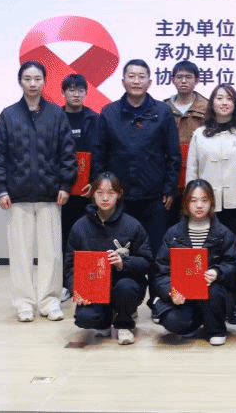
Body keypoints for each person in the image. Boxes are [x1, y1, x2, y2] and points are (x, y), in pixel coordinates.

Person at [0, 61, 77, 323]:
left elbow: (67, 154)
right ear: (20, 81)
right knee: (21, 253)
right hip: (18, 196)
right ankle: (24, 303)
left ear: (44, 82)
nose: (33, 84)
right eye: (27, 79)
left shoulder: (56, 115)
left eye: (37, 78)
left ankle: (49, 301)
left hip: (50, 195)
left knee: (51, 253)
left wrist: (65, 185)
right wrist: (1, 189)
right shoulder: (8, 116)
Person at [94, 58, 180, 306]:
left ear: (150, 81)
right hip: (119, 198)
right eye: (131, 76)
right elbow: (99, 155)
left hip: (154, 196)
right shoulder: (109, 112)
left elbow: (173, 155)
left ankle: (158, 300)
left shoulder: (162, 112)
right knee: (119, 251)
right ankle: (123, 302)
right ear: (123, 81)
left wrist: (169, 188)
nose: (136, 81)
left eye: (141, 76)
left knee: (156, 251)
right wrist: (102, 192)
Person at [65, 172, 153, 345]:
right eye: (100, 193)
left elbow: (147, 261)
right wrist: (76, 289)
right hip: (94, 288)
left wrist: (123, 263)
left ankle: (124, 323)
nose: (105, 198)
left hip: (124, 285)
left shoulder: (132, 225)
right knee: (85, 319)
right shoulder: (80, 227)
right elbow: (69, 266)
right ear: (92, 194)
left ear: (119, 194)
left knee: (126, 287)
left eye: (111, 193)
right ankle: (104, 320)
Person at [151, 179, 236, 345]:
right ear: (186, 203)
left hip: (214, 295)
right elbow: (161, 271)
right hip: (184, 296)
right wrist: (170, 291)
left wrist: (217, 272)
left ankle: (216, 329)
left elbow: (233, 264)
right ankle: (196, 320)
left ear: (211, 202)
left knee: (215, 290)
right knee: (174, 322)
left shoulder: (223, 233)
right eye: (193, 200)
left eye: (204, 200)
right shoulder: (173, 234)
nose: (199, 205)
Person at [185, 83, 236, 240]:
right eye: (219, 98)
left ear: (235, 103)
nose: (224, 103)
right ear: (212, 103)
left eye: (229, 99)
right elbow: (192, 172)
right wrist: (191, 201)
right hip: (206, 204)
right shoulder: (200, 135)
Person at [60, 72, 101, 299]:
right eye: (71, 90)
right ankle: (64, 284)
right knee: (63, 238)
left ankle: (88, 282)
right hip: (61, 192)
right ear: (63, 92)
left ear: (86, 92)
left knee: (88, 236)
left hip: (88, 192)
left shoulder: (94, 119)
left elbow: (100, 153)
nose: (76, 94)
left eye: (80, 90)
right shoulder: (55, 117)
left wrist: (94, 183)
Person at [166, 59, 209, 159]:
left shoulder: (207, 107)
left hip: (199, 160)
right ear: (173, 80)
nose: (184, 81)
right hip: (170, 161)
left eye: (188, 77)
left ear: (197, 80)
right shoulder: (164, 108)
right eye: (179, 77)